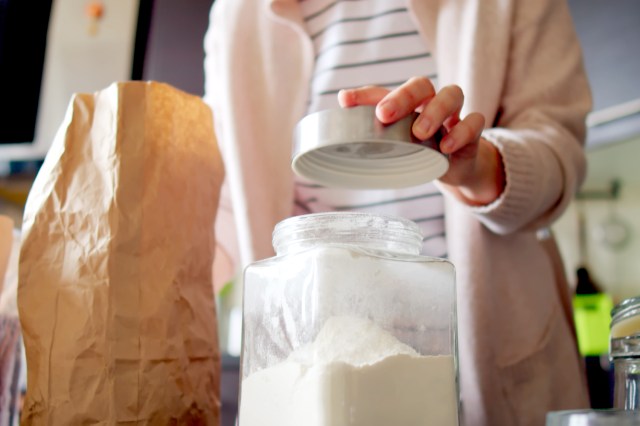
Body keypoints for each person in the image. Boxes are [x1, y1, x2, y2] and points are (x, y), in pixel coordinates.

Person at [202, 0, 592, 424]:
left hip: (495, 360)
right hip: (312, 374)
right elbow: (221, 209)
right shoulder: (239, 12)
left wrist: (477, 167)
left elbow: (560, 155)